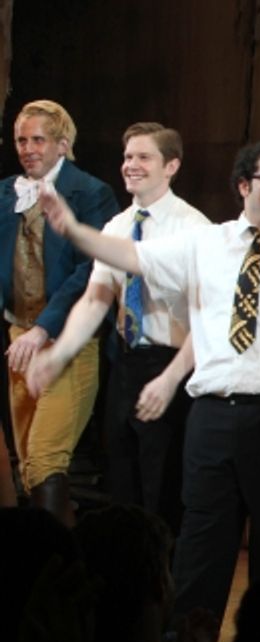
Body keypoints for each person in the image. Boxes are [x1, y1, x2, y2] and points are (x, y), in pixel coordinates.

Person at [37, 138, 260, 626]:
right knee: (202, 542)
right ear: (243, 185)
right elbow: (131, 256)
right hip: (212, 415)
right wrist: (73, 229)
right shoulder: (207, 242)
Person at [28, 123, 209, 532]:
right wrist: (57, 355)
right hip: (125, 363)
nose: (131, 165)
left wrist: (169, 379)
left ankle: (165, 586)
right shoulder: (116, 226)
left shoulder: (194, 229)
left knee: (163, 490)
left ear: (172, 166)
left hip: (172, 367)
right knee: (121, 486)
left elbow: (207, 319)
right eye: (128, 157)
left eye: (144, 157)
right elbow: (95, 301)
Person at [0, 99, 118, 521]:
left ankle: (58, 567)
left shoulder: (90, 192)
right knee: (29, 462)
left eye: (38, 139)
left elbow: (92, 270)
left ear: (62, 144)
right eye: (21, 140)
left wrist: (44, 329)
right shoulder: (6, 192)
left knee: (47, 455)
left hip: (67, 339)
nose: (28, 148)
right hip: (19, 336)